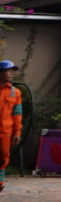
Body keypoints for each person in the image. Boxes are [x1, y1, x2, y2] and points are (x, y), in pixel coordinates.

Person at [0, 60, 23, 193]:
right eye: (9, 71)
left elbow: (17, 114)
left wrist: (17, 132)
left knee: (3, 157)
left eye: (13, 71)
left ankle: (0, 182)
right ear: (1, 73)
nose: (12, 74)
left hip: (5, 132)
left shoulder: (15, 92)